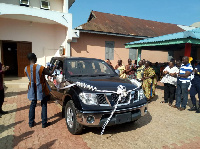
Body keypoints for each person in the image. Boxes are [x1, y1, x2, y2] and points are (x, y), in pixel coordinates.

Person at [24, 53, 55, 128]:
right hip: (41, 88)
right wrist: (54, 67)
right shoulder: (40, 67)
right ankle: (44, 123)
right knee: (44, 104)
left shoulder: (26, 68)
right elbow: (49, 73)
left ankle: (31, 123)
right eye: (36, 57)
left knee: (33, 104)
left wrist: (46, 68)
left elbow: (35, 74)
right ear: (34, 58)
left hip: (32, 88)